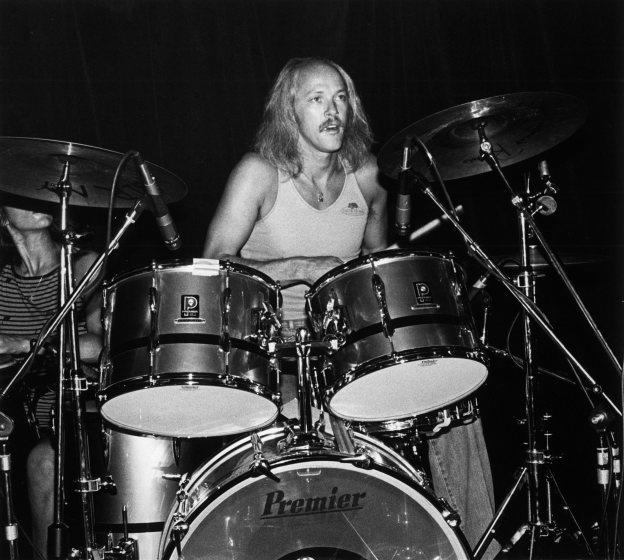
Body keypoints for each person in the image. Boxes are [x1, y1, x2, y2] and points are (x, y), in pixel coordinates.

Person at [203, 57, 498, 556]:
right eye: (316, 99)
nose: (332, 109)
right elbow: (213, 263)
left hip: (347, 346)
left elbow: (376, 269)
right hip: (275, 353)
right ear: (288, 109)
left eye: (340, 97)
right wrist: (302, 264)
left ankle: (472, 548)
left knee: (452, 402)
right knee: (318, 446)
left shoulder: (366, 173)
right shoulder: (259, 173)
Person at [0, 204, 102, 559]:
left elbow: (100, 346)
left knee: (44, 461)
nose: (34, 201)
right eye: (19, 195)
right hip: (11, 416)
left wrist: (22, 344)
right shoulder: (1, 281)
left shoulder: (81, 266)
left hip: (68, 416)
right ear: (2, 216)